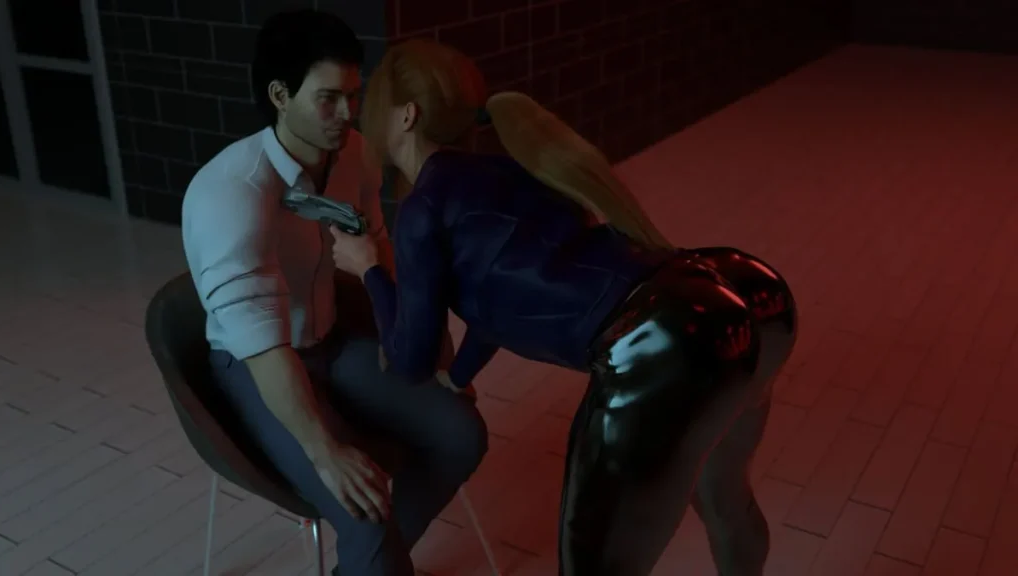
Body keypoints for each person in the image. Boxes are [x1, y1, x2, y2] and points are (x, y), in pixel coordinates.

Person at [327, 39, 797, 576]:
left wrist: (368, 268)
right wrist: (458, 376)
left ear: (406, 116)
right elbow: (499, 301)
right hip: (730, 287)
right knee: (724, 500)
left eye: (373, 105)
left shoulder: (423, 207)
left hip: (664, 340)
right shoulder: (507, 170)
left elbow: (409, 360)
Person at [180, 13, 487, 576]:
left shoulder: (356, 155)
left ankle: (369, 564)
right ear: (280, 96)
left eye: (353, 95)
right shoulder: (230, 193)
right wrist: (326, 452)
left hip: (330, 340)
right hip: (257, 362)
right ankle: (375, 556)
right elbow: (263, 347)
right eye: (328, 99)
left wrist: (434, 356)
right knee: (362, 510)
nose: (347, 113)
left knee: (461, 433)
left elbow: (383, 257)